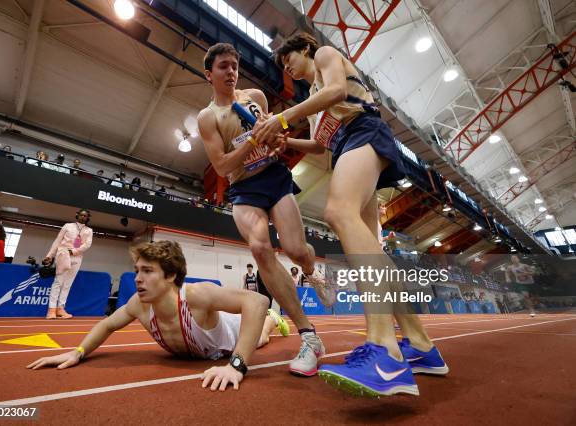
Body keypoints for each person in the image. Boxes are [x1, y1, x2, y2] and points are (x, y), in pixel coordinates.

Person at [254, 33, 448, 396]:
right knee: (372, 250)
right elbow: (319, 145)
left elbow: (339, 93)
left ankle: (384, 351)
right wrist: (286, 142)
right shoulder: (312, 97)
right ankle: (421, 345)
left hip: (364, 130)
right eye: (282, 65)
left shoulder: (327, 55)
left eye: (289, 59)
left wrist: (281, 119)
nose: (288, 68)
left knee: (337, 212)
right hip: (346, 145)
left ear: (305, 49)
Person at [197, 43, 331, 377]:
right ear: (208, 73)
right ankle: (309, 336)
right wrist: (253, 141)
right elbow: (223, 164)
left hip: (274, 177)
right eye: (223, 66)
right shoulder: (207, 118)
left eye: (234, 66)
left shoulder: (255, 97)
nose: (231, 72)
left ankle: (314, 271)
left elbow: (276, 138)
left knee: (297, 250)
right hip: (244, 188)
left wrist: (273, 135)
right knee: (259, 247)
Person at [27, 240, 289, 391]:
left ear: (171, 275)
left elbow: (257, 300)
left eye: (148, 271)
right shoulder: (139, 304)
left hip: (229, 337)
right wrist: (78, 352)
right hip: (197, 349)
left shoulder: (196, 295)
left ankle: (272, 321)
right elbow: (107, 325)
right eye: (137, 270)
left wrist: (237, 365)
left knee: (261, 337)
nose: (138, 279)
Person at [43, 209, 93, 319]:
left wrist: (74, 251)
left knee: (67, 284)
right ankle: (51, 310)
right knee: (58, 282)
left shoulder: (89, 230)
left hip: (77, 257)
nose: (83, 217)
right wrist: (49, 255)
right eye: (81, 215)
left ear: (88, 218)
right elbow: (57, 241)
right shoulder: (68, 226)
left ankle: (60, 309)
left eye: (85, 216)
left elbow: (87, 244)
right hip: (63, 254)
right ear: (77, 215)